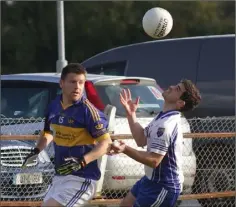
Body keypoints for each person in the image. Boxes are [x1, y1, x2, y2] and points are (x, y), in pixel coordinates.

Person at [22, 63, 112, 207]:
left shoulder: (89, 111)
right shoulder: (54, 106)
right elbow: (49, 132)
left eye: (81, 82)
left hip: (82, 178)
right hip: (60, 176)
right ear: (61, 83)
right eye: (72, 82)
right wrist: (37, 150)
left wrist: (82, 161)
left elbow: (105, 144)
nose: (77, 86)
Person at [110, 79, 201, 207]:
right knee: (125, 204)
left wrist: (125, 149)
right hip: (150, 179)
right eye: (176, 85)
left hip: (163, 186)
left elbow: (154, 160)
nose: (171, 86)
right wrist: (131, 114)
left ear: (180, 103)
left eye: (177, 89)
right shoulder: (162, 117)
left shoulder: (166, 124)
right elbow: (141, 139)